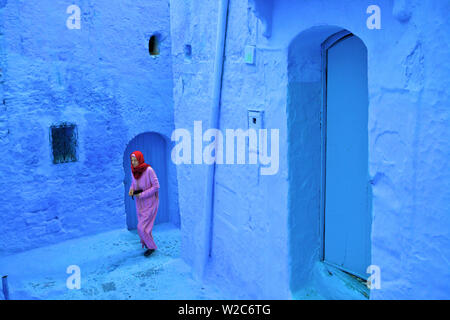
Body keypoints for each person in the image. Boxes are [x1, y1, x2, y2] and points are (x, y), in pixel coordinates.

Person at [128, 151, 160, 257]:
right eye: (132, 160)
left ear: (140, 159)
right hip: (139, 204)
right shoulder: (133, 171)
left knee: (141, 228)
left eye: (135, 160)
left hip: (150, 203)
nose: (133, 162)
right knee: (146, 228)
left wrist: (142, 194)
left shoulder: (149, 170)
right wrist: (131, 190)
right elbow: (133, 183)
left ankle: (152, 247)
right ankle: (147, 243)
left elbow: (156, 186)